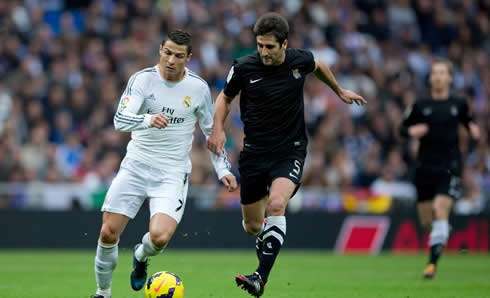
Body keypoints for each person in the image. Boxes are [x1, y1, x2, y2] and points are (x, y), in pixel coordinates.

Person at [207, 13, 366, 297]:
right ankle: (267, 237)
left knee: (277, 203)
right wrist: (218, 128)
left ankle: (260, 278)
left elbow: (318, 65)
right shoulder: (243, 67)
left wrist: (339, 90)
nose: (264, 52)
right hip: (254, 154)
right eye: (260, 46)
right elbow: (224, 98)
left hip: (289, 151)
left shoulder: (298, 60)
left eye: (270, 46)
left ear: (284, 44)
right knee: (252, 226)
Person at [91, 30, 237, 298]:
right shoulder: (142, 80)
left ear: (189, 57)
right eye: (167, 52)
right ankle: (103, 292)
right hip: (136, 165)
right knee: (108, 233)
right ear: (160, 50)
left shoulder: (198, 88)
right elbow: (120, 120)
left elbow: (212, 134)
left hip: (172, 173)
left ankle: (140, 255)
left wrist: (222, 169)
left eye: (178, 56)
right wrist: (148, 119)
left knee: (158, 238)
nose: (171, 60)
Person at [399, 58, 480, 279]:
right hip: (425, 167)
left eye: (442, 73)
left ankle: (431, 265)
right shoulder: (420, 106)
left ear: (450, 78)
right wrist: (412, 131)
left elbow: (469, 122)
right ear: (430, 78)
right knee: (427, 222)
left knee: (439, 210)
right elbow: (402, 129)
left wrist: (473, 129)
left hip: (450, 166)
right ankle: (442, 233)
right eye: (435, 73)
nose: (438, 76)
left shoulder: (459, 104)